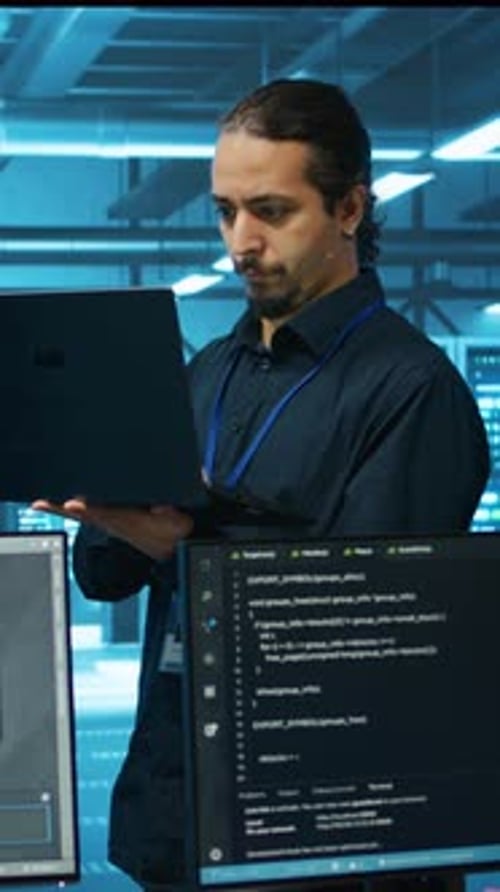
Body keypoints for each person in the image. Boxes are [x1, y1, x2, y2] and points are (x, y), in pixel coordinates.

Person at [33, 79, 490, 891]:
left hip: (325, 848)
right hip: (177, 823)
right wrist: (107, 514)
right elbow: (101, 575)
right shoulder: (204, 373)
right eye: (224, 210)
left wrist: (188, 547)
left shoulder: (413, 390)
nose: (240, 241)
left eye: (271, 212)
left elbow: (360, 634)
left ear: (349, 210)